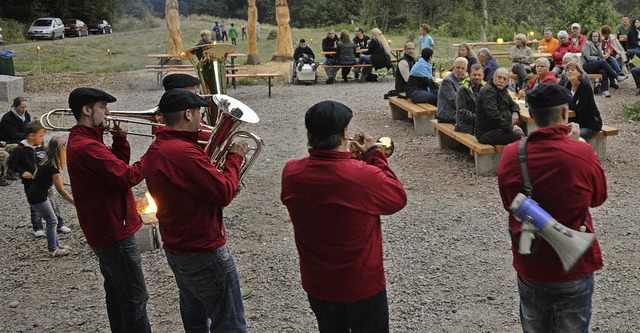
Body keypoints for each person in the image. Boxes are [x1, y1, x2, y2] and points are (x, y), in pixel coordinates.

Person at [281, 100, 407, 333]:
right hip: (362, 284)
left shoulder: (291, 173)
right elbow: (397, 198)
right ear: (344, 134)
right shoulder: (363, 175)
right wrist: (373, 154)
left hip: (318, 283)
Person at [498, 83, 606, 333]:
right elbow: (598, 197)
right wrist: (576, 145)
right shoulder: (582, 152)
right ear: (566, 113)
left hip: (531, 260)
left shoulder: (512, 154)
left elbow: (509, 204)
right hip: (573, 263)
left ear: (532, 115)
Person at [143, 89, 249, 332]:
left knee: (195, 318)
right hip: (203, 250)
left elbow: (192, 191)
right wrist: (235, 159)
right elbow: (223, 193)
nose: (201, 121)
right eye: (200, 114)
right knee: (229, 321)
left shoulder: (157, 148)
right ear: (188, 114)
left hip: (178, 247)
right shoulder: (184, 153)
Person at [66, 88, 151, 333]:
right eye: (103, 106)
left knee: (118, 295)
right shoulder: (87, 146)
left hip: (108, 229)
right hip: (114, 232)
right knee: (136, 298)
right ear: (86, 110)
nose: (108, 112)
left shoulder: (88, 140)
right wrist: (155, 152)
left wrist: (120, 140)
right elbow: (128, 176)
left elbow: (114, 170)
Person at [9, 121, 70, 237]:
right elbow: (12, 164)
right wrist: (22, 172)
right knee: (35, 206)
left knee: (52, 202)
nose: (42, 138)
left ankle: (59, 223)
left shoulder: (41, 148)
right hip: (30, 183)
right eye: (40, 136)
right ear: (31, 136)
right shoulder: (20, 149)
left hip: (45, 182)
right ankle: (37, 227)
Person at [27, 136, 74, 257]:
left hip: (36, 195)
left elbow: (36, 177)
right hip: (38, 198)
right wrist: (74, 201)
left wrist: (46, 185)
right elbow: (61, 191)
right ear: (60, 150)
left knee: (52, 220)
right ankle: (53, 249)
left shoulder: (45, 162)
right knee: (52, 221)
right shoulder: (53, 168)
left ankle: (56, 244)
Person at [475, 67, 524, 145]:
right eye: (499, 77)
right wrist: (510, 127)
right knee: (519, 135)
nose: (501, 81)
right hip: (486, 132)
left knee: (522, 127)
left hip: (499, 128)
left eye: (504, 79)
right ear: (494, 77)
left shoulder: (502, 89)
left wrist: (515, 112)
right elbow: (493, 115)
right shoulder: (488, 91)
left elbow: (513, 104)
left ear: (508, 82)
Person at [561, 61, 603, 139]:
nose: (569, 71)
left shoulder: (585, 87)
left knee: (570, 138)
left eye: (573, 70)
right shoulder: (568, 86)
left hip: (590, 124)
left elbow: (581, 109)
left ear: (579, 73)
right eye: (567, 70)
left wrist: (568, 104)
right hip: (574, 123)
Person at [582, 30, 627, 97]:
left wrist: (599, 48)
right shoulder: (587, 44)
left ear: (599, 37)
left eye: (596, 36)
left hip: (595, 65)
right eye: (593, 36)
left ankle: (604, 90)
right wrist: (598, 59)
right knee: (603, 62)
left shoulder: (598, 44)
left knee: (604, 71)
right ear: (591, 37)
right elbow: (588, 57)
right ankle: (616, 76)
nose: (595, 38)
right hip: (586, 65)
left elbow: (601, 56)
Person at [436, 57, 468, 123]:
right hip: (447, 114)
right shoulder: (447, 81)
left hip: (456, 111)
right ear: (454, 67)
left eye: (463, 68)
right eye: (458, 67)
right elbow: (455, 101)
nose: (460, 70)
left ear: (466, 70)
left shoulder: (463, 80)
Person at [455, 63, 485, 134]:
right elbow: (461, 111)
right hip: (465, 125)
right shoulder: (462, 89)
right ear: (470, 75)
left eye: (479, 75)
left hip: (481, 124)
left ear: (483, 76)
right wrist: (479, 119)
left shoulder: (486, 88)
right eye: (474, 75)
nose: (477, 77)